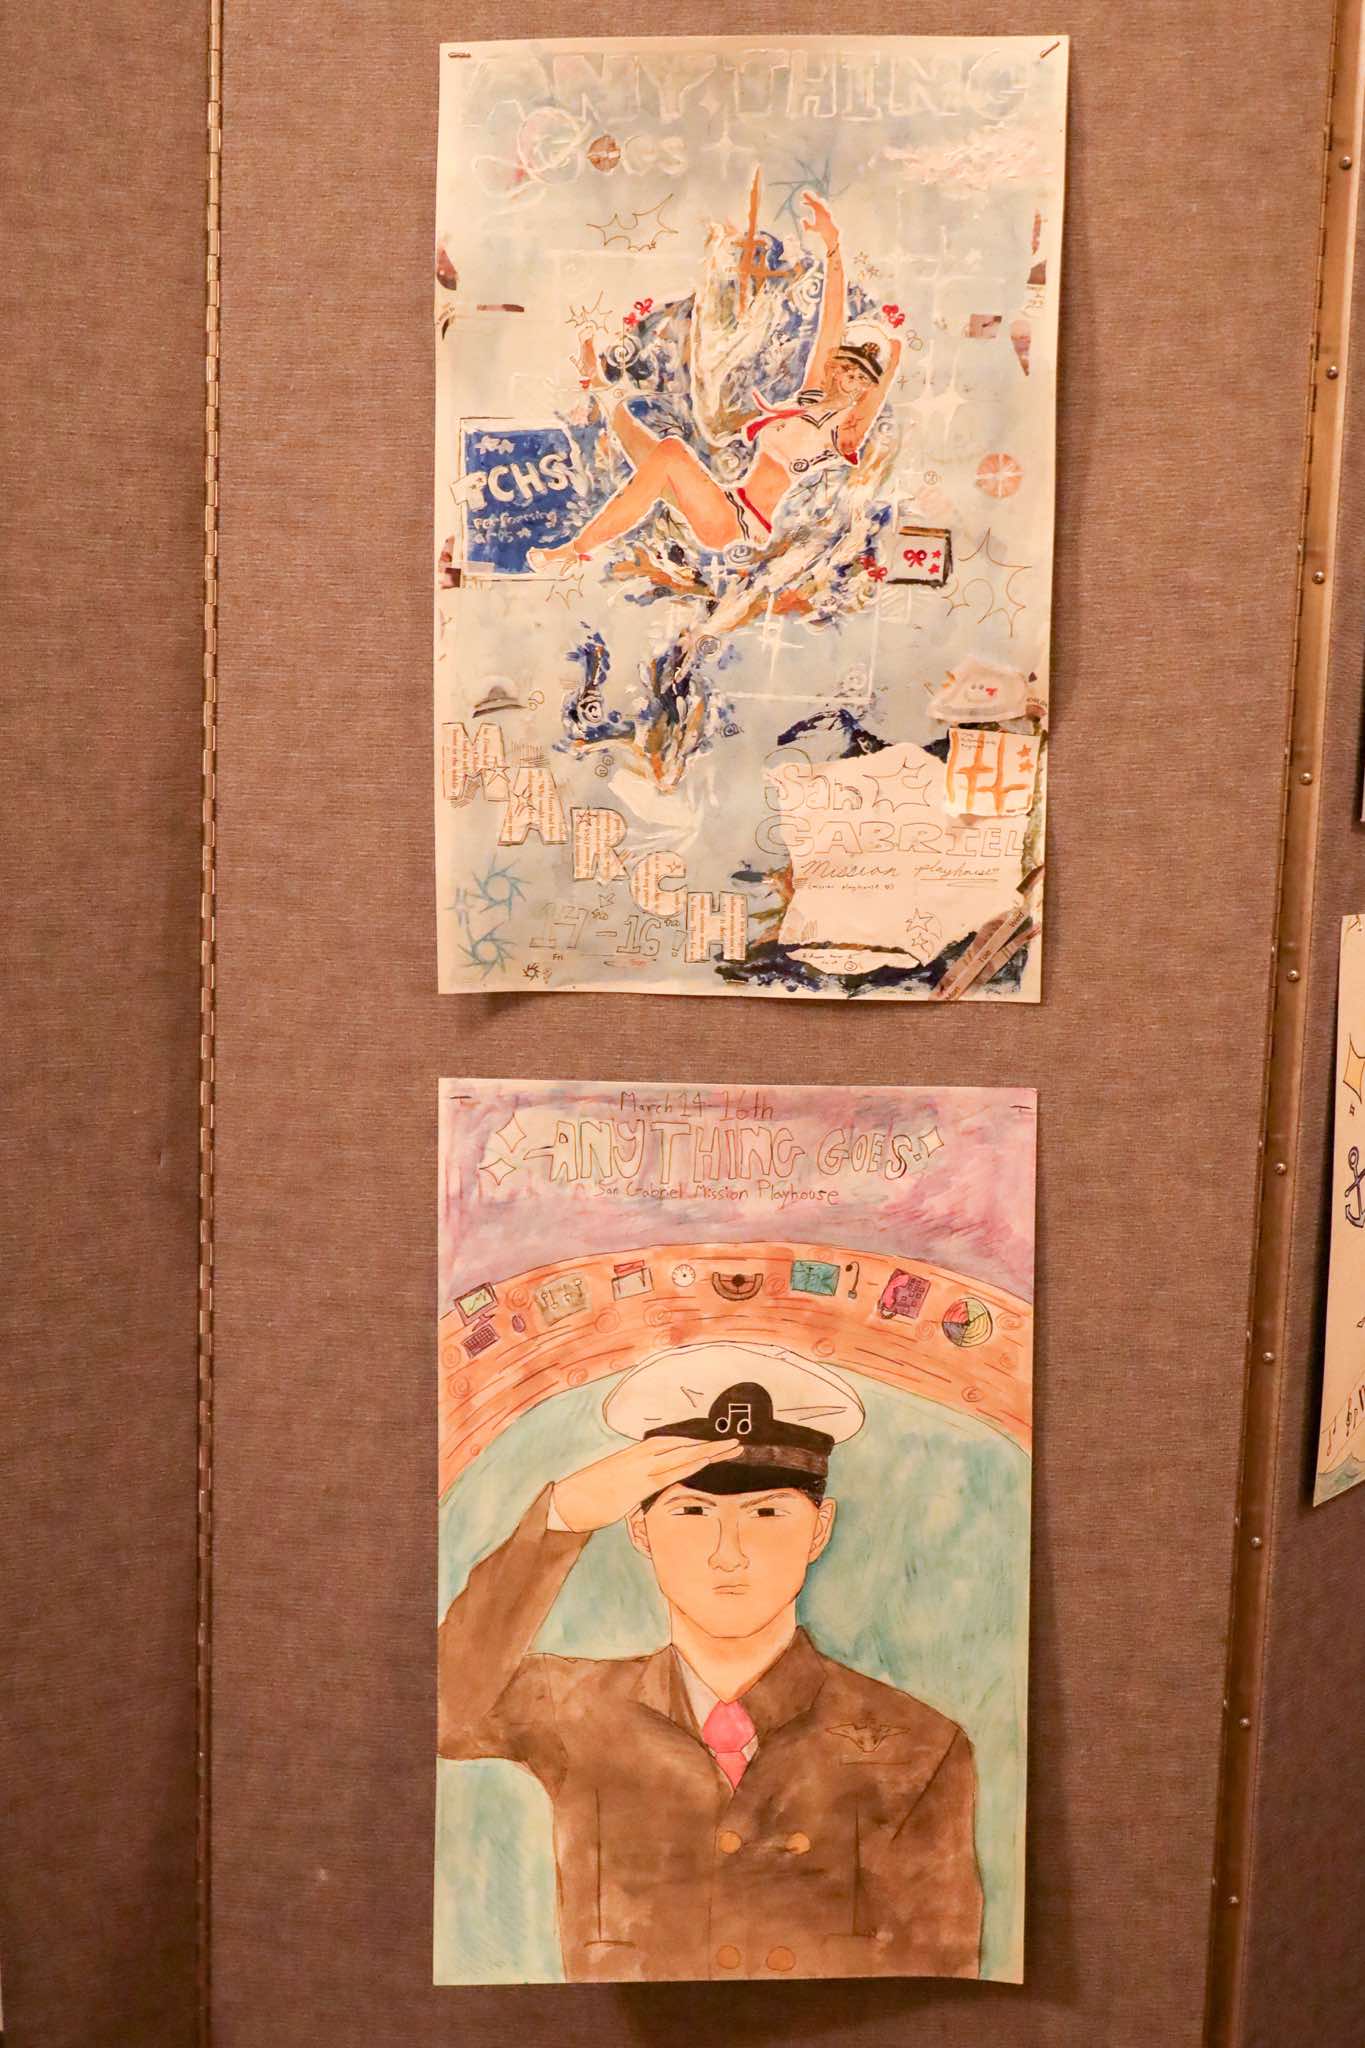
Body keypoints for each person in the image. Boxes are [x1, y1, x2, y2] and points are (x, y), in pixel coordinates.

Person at [436, 1341, 983, 1982]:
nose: (729, 1552)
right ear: (639, 1530)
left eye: (767, 1512)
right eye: (692, 1511)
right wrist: (562, 1520)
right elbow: (440, 1712)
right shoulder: (573, 1708)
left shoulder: (920, 1746)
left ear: (820, 1528)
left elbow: (939, 1977)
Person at [528, 192, 903, 573]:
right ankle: (603, 393)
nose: (850, 380)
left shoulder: (846, 431)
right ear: (836, 367)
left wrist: (891, 360)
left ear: (866, 388)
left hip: (741, 525)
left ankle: (574, 550)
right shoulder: (810, 398)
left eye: (861, 379)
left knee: (670, 453)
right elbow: (830, 326)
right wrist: (833, 246)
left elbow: (875, 389)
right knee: (629, 427)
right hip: (729, 502)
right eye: (847, 369)